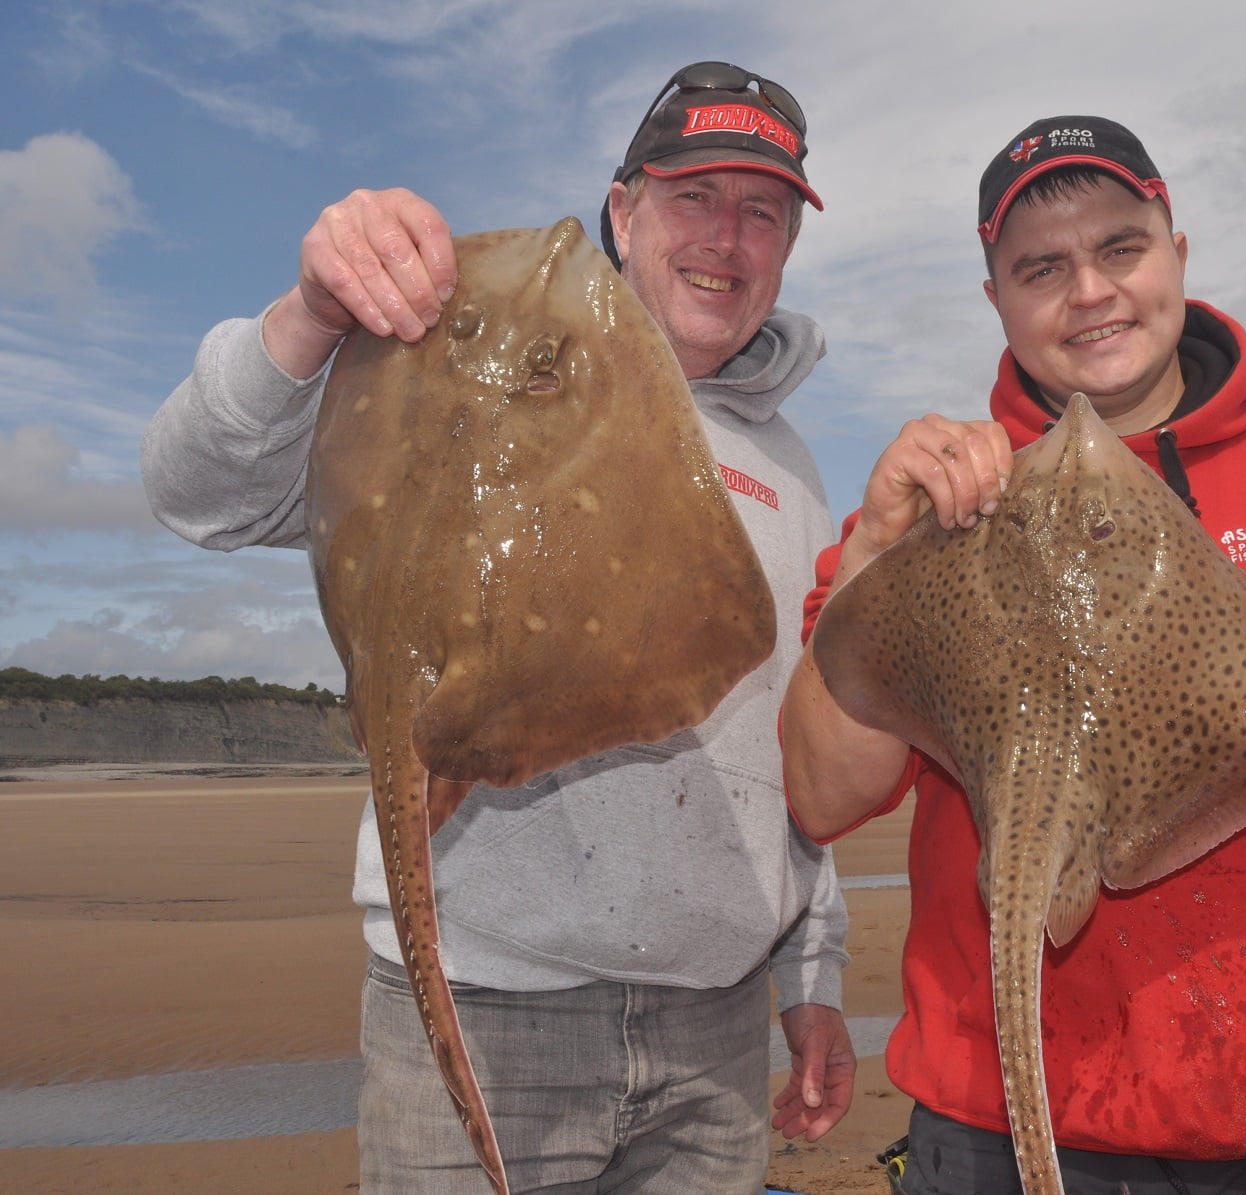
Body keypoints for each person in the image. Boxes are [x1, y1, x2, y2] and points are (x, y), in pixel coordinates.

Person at [781, 116, 1246, 1194]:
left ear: (1177, 253)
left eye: (1120, 248)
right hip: (998, 1120)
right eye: (1043, 267)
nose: (1090, 291)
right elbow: (818, 794)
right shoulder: (942, 510)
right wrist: (871, 552)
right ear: (996, 298)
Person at [142, 62, 856, 1194]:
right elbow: (195, 490)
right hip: (488, 1002)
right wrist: (310, 318)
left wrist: (810, 974)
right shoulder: (430, 368)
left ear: (785, 246)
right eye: (693, 197)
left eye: (760, 210)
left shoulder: (793, 468)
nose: (727, 235)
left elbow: (790, 745)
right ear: (625, 209)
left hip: (718, 1035)